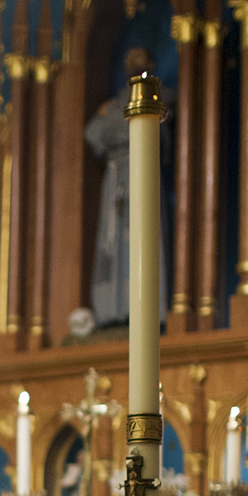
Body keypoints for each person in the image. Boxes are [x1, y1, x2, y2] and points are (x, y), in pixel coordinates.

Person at [84, 46, 174, 328]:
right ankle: (114, 310)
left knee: (144, 236)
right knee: (115, 239)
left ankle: (147, 308)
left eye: (139, 57)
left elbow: (154, 130)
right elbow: (93, 133)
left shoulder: (165, 97)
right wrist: (124, 126)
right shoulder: (112, 105)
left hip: (145, 173)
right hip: (116, 177)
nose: (133, 62)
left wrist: (120, 126)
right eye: (128, 58)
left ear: (152, 61)